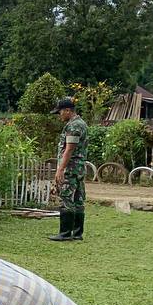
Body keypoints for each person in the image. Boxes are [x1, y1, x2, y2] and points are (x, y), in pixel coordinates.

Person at [49, 97, 87, 242]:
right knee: (78, 199)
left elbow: (69, 149)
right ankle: (77, 233)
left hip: (70, 168)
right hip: (78, 168)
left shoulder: (74, 126)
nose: (59, 115)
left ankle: (65, 233)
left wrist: (60, 169)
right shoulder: (80, 123)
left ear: (67, 110)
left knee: (66, 197)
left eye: (60, 112)